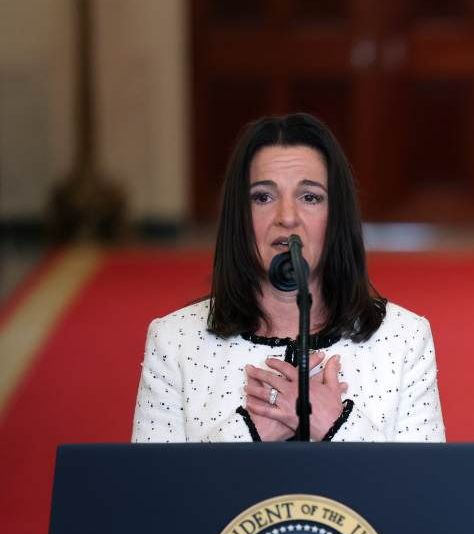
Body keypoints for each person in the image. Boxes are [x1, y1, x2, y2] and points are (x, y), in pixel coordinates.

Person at [132, 113, 445, 443]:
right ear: (238, 216)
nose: (287, 217)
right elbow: (156, 493)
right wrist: (250, 434)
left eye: (309, 197)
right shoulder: (174, 340)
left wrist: (337, 427)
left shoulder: (403, 338)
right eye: (263, 197)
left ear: (337, 215)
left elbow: (420, 491)